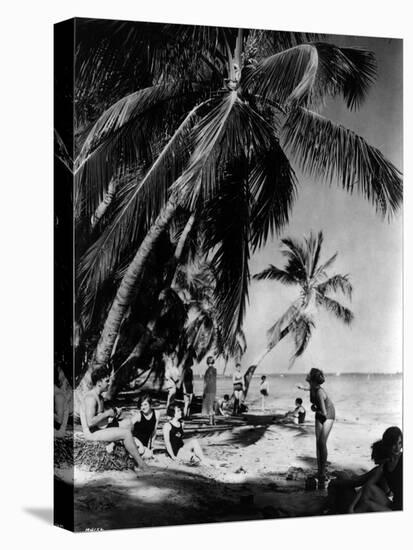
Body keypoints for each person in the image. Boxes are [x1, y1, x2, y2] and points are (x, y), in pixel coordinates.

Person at [80, 365, 147, 470]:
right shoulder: (91, 398)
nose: (109, 383)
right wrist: (107, 414)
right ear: (98, 383)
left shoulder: (100, 397)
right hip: (91, 433)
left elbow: (99, 418)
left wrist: (114, 414)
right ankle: (141, 464)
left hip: (99, 428)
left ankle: (114, 444)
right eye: (107, 381)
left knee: (129, 423)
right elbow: (90, 422)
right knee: (126, 433)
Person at [306, 367, 335, 489]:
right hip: (320, 413)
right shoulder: (312, 388)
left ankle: (322, 473)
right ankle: (320, 471)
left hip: (328, 414)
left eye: (309, 375)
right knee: (318, 444)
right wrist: (314, 408)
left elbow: (323, 411)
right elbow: (316, 405)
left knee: (322, 443)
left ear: (312, 379)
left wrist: (315, 409)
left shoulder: (319, 392)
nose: (306, 375)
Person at [130, 394, 161, 459]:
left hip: (144, 445)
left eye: (145, 404)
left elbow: (154, 431)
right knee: (141, 451)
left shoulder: (157, 414)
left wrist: (152, 447)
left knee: (149, 454)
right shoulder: (138, 416)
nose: (143, 407)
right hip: (134, 441)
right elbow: (126, 428)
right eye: (141, 405)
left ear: (150, 404)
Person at [202, 356, 217, 425]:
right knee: (212, 405)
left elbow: (206, 382)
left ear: (207, 362)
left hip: (208, 389)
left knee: (210, 405)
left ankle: (211, 422)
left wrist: (203, 391)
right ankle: (213, 421)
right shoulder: (215, 370)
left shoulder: (207, 371)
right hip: (213, 389)